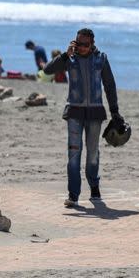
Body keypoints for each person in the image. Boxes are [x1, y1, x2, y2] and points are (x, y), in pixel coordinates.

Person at [43, 27, 122, 208]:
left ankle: (94, 187)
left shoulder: (101, 59)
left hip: (95, 113)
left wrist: (115, 111)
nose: (82, 47)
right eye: (79, 43)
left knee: (93, 153)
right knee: (73, 153)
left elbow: (110, 85)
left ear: (92, 43)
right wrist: (64, 55)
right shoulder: (69, 58)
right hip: (74, 113)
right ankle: (73, 194)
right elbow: (47, 71)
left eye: (85, 44)